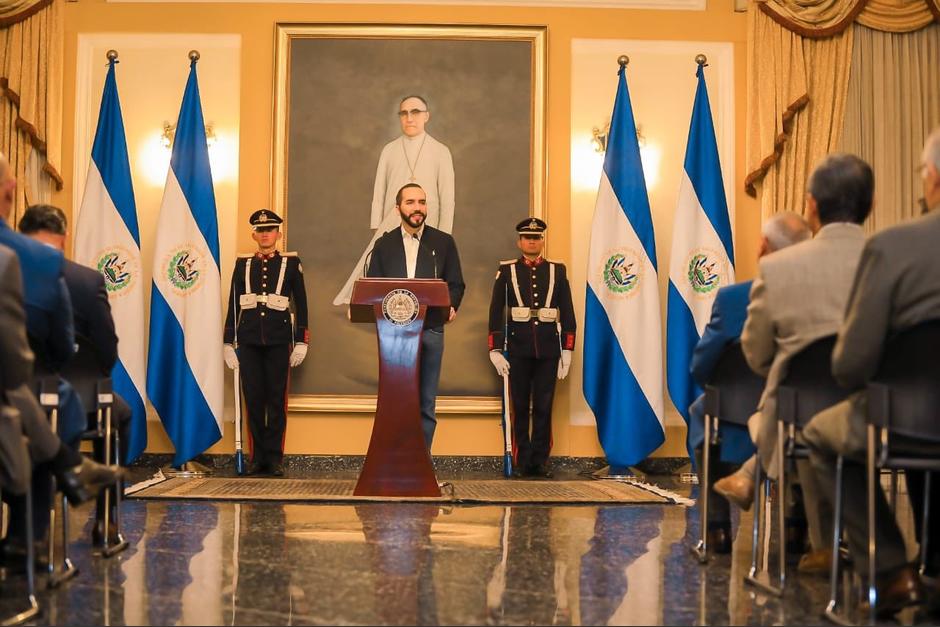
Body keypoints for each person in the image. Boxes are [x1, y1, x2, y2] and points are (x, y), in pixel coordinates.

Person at [714, 153, 873, 573]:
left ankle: (757, 475)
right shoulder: (890, 257)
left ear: (812, 206)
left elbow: (757, 354)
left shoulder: (779, 268)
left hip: (796, 410)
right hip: (882, 411)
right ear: (869, 207)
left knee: (796, 405)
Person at [803, 129, 940, 617]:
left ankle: (891, 570)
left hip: (907, 415)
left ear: (932, 176)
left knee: (820, 434)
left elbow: (852, 363)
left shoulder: (895, 247)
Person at [688, 212, 811, 553]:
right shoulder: (822, 299)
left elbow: (702, 367)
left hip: (733, 422)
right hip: (804, 418)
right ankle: (797, 527)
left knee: (703, 410)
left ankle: (716, 530)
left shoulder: (733, 299)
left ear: (762, 248)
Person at [0, 240, 121, 564]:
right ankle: (99, 518)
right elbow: (103, 348)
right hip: (64, 393)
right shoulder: (38, 265)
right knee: (57, 410)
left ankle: (67, 469)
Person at [18, 204, 130, 546]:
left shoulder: (10, 273)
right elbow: (106, 348)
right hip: (82, 393)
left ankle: (29, 523)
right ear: (64, 238)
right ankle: (106, 518)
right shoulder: (86, 280)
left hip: (16, 392)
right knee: (121, 415)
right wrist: (91, 377)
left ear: (21, 237)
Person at [366, 183, 465, 449]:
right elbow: (373, 287)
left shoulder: (442, 243)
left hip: (431, 330)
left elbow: (456, 284)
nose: (417, 208)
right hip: (393, 336)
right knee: (396, 400)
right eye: (410, 202)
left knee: (425, 401)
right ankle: (396, 461)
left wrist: (451, 305)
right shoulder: (384, 245)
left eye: (421, 202)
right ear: (398, 208)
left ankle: (423, 463)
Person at [333, 95, 456, 305]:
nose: (409, 118)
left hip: (428, 218)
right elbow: (379, 189)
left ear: (426, 116)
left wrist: (444, 232)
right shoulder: (389, 150)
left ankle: (420, 305)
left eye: (415, 112)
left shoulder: (441, 151)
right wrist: (376, 224)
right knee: (388, 264)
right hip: (393, 217)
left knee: (424, 268)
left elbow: (448, 197)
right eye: (404, 113)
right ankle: (372, 302)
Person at [487, 218, 576, 479]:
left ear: (542, 241)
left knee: (544, 406)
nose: (532, 241)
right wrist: (494, 348)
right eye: (527, 238)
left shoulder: (557, 271)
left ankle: (540, 460)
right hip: (517, 348)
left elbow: (567, 311)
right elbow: (495, 311)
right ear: (519, 242)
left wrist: (567, 348)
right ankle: (522, 460)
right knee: (519, 404)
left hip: (548, 349)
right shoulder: (507, 271)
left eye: (536, 238)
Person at [223, 209, 308, 477]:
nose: (265, 234)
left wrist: (301, 340)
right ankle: (256, 458)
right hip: (249, 340)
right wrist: (228, 342)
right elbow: (233, 305)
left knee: (275, 400)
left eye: (270, 230)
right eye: (260, 230)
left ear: (278, 234)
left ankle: (274, 459)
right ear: (254, 234)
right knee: (254, 399)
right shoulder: (242, 264)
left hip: (278, 340)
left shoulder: (291, 264)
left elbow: (302, 304)